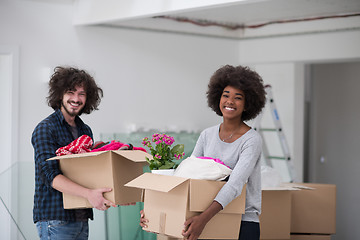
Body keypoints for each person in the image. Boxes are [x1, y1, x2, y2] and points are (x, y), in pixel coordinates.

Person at [140, 65, 266, 240]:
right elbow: (187, 177)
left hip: (241, 222)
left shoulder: (251, 140)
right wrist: (158, 210)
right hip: (205, 218)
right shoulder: (207, 135)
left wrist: (203, 219)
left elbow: (235, 185)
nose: (230, 101)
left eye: (238, 98)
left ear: (247, 104)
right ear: (217, 98)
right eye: (225, 95)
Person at [32, 66, 116, 240]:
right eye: (71, 92)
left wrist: (114, 195)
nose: (76, 99)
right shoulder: (45, 129)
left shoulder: (85, 130)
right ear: (60, 94)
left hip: (81, 218)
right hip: (55, 220)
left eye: (82, 94)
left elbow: (88, 174)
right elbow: (50, 176)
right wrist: (89, 194)